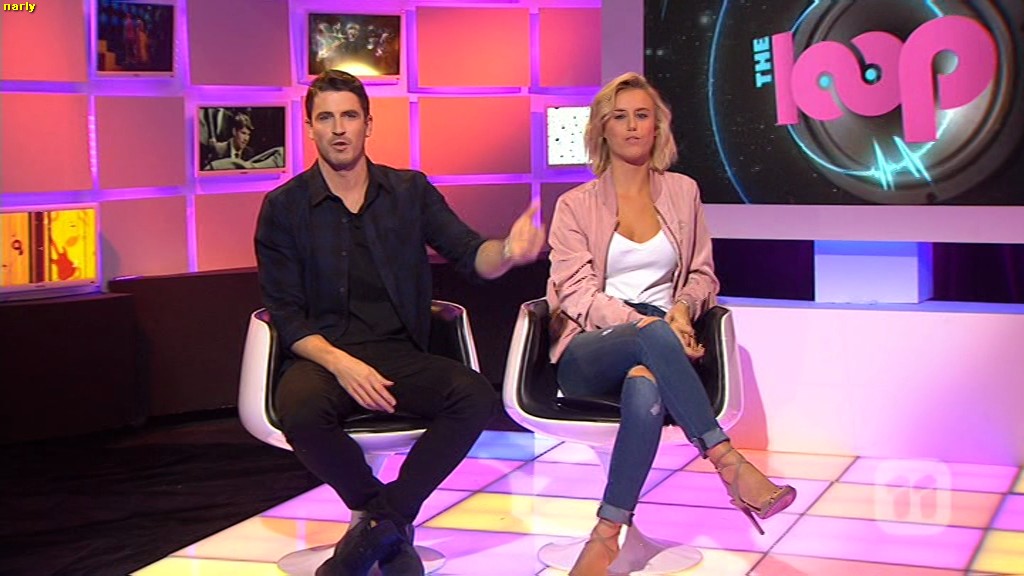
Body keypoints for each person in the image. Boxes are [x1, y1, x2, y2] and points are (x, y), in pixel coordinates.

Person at [255, 70, 545, 576]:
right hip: (324, 356)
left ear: (368, 124)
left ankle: (379, 525)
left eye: (350, 116)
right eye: (326, 118)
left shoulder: (410, 191)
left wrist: (508, 252)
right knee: (299, 410)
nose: (339, 129)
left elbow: (469, 252)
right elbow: (286, 313)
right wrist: (342, 364)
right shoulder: (284, 208)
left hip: (399, 355)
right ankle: (386, 526)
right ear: (310, 127)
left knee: (474, 396)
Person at [546, 72, 796, 576]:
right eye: (620, 116)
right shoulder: (575, 205)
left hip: (663, 342)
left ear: (657, 127)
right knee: (653, 335)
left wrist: (681, 310)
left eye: (642, 115)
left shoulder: (683, 192)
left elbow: (703, 275)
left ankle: (607, 534)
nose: (632, 126)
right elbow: (577, 295)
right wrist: (646, 324)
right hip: (592, 347)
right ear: (602, 129)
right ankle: (729, 463)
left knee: (645, 389)